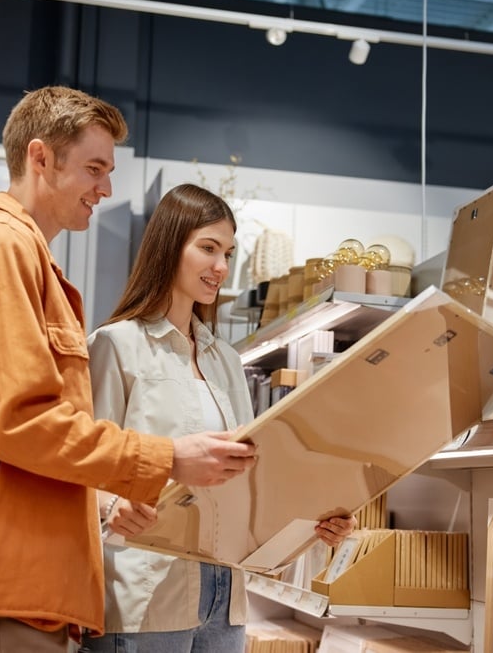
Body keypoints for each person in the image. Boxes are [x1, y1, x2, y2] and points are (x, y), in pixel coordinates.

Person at [0, 88, 256, 653]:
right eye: (95, 168)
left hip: (13, 582)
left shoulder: (23, 256)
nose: (107, 188)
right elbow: (19, 420)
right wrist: (167, 459)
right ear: (40, 158)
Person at [85, 183, 356, 653]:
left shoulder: (226, 360)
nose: (221, 268)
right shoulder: (115, 346)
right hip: (147, 591)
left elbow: (246, 479)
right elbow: (84, 465)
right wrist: (110, 506)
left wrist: (313, 523)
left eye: (227, 252)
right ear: (170, 245)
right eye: (208, 248)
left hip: (225, 597)